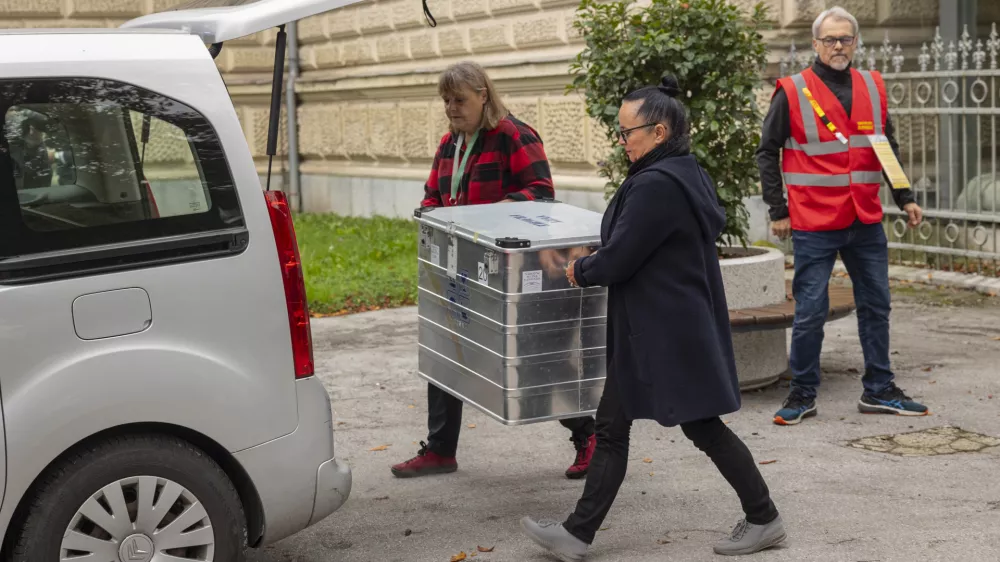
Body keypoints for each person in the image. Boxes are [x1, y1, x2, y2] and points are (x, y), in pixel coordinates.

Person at [519, 76, 787, 560]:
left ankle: (765, 517)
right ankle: (578, 534)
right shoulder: (683, 172)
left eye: (627, 133)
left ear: (658, 132)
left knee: (700, 427)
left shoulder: (656, 185)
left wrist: (580, 269)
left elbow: (621, 257)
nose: (621, 142)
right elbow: (638, 245)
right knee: (614, 427)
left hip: (663, 332)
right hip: (662, 326)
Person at [391, 61, 598, 480]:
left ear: (483, 94)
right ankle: (440, 450)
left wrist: (487, 217)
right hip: (459, 264)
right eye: (446, 101)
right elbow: (434, 196)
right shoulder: (451, 142)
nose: (451, 108)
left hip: (510, 268)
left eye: (460, 100)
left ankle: (589, 436)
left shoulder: (513, 135)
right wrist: (434, 216)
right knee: (446, 351)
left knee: (533, 356)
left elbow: (540, 194)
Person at [756, 6, 929, 426]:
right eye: (830, 39)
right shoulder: (793, 90)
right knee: (810, 311)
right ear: (816, 44)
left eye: (845, 39)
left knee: (877, 306)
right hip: (814, 222)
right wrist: (778, 209)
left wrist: (904, 195)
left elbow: (885, 146)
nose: (838, 46)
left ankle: (879, 389)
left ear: (855, 42)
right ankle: (802, 394)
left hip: (864, 218)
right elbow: (767, 150)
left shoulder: (871, 85)